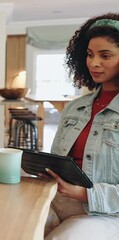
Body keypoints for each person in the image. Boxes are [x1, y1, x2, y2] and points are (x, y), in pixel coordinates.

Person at [44, 13, 119, 239]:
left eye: (105, 55)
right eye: (89, 54)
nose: (94, 63)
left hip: (104, 213)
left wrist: (86, 194)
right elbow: (56, 158)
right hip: (57, 199)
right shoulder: (75, 107)